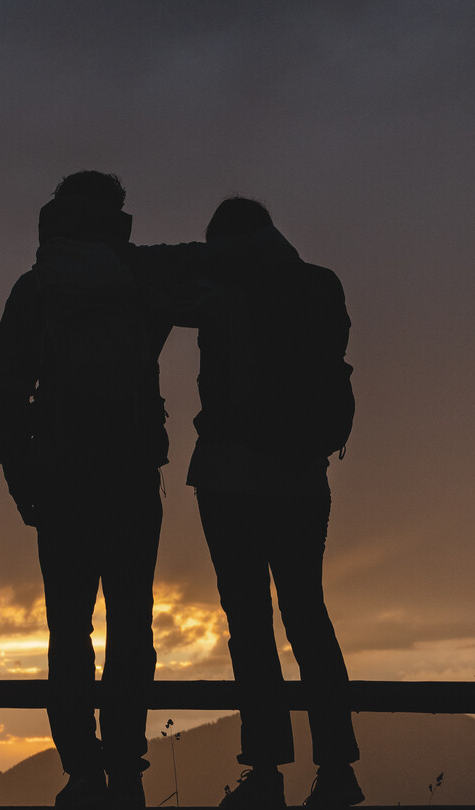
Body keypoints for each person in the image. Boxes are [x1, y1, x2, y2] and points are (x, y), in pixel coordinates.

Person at [0, 171, 171, 807]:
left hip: (62, 479)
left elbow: (7, 391)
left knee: (69, 630)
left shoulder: (36, 288)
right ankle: (127, 767)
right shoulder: (138, 285)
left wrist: (21, 476)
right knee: (132, 624)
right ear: (117, 215)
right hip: (131, 479)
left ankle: (83, 772)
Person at [183, 197, 362, 808]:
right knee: (308, 615)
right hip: (303, 479)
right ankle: (338, 770)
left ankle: (265, 773)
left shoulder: (219, 290)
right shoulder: (320, 285)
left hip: (230, 477)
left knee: (250, 626)